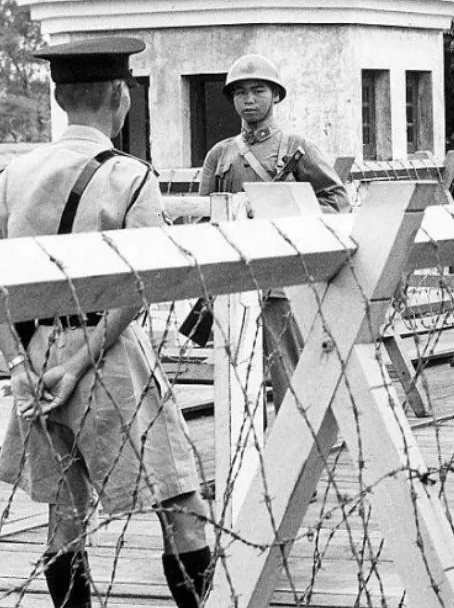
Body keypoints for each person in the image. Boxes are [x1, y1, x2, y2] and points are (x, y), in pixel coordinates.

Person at [0, 38, 211, 607]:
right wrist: (77, 364)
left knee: (64, 514)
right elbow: (139, 288)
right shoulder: (129, 176)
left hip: (33, 355)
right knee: (179, 500)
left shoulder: (13, 175)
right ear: (121, 96)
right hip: (105, 356)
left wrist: (19, 363)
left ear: (60, 98)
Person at [198, 53, 349, 420]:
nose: (249, 100)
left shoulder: (296, 148)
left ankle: (297, 445)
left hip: (283, 282)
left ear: (276, 95)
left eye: (258, 91)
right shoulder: (220, 154)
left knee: (289, 374)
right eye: (240, 93)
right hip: (234, 279)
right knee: (238, 379)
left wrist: (285, 212)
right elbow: (203, 214)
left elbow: (338, 201)